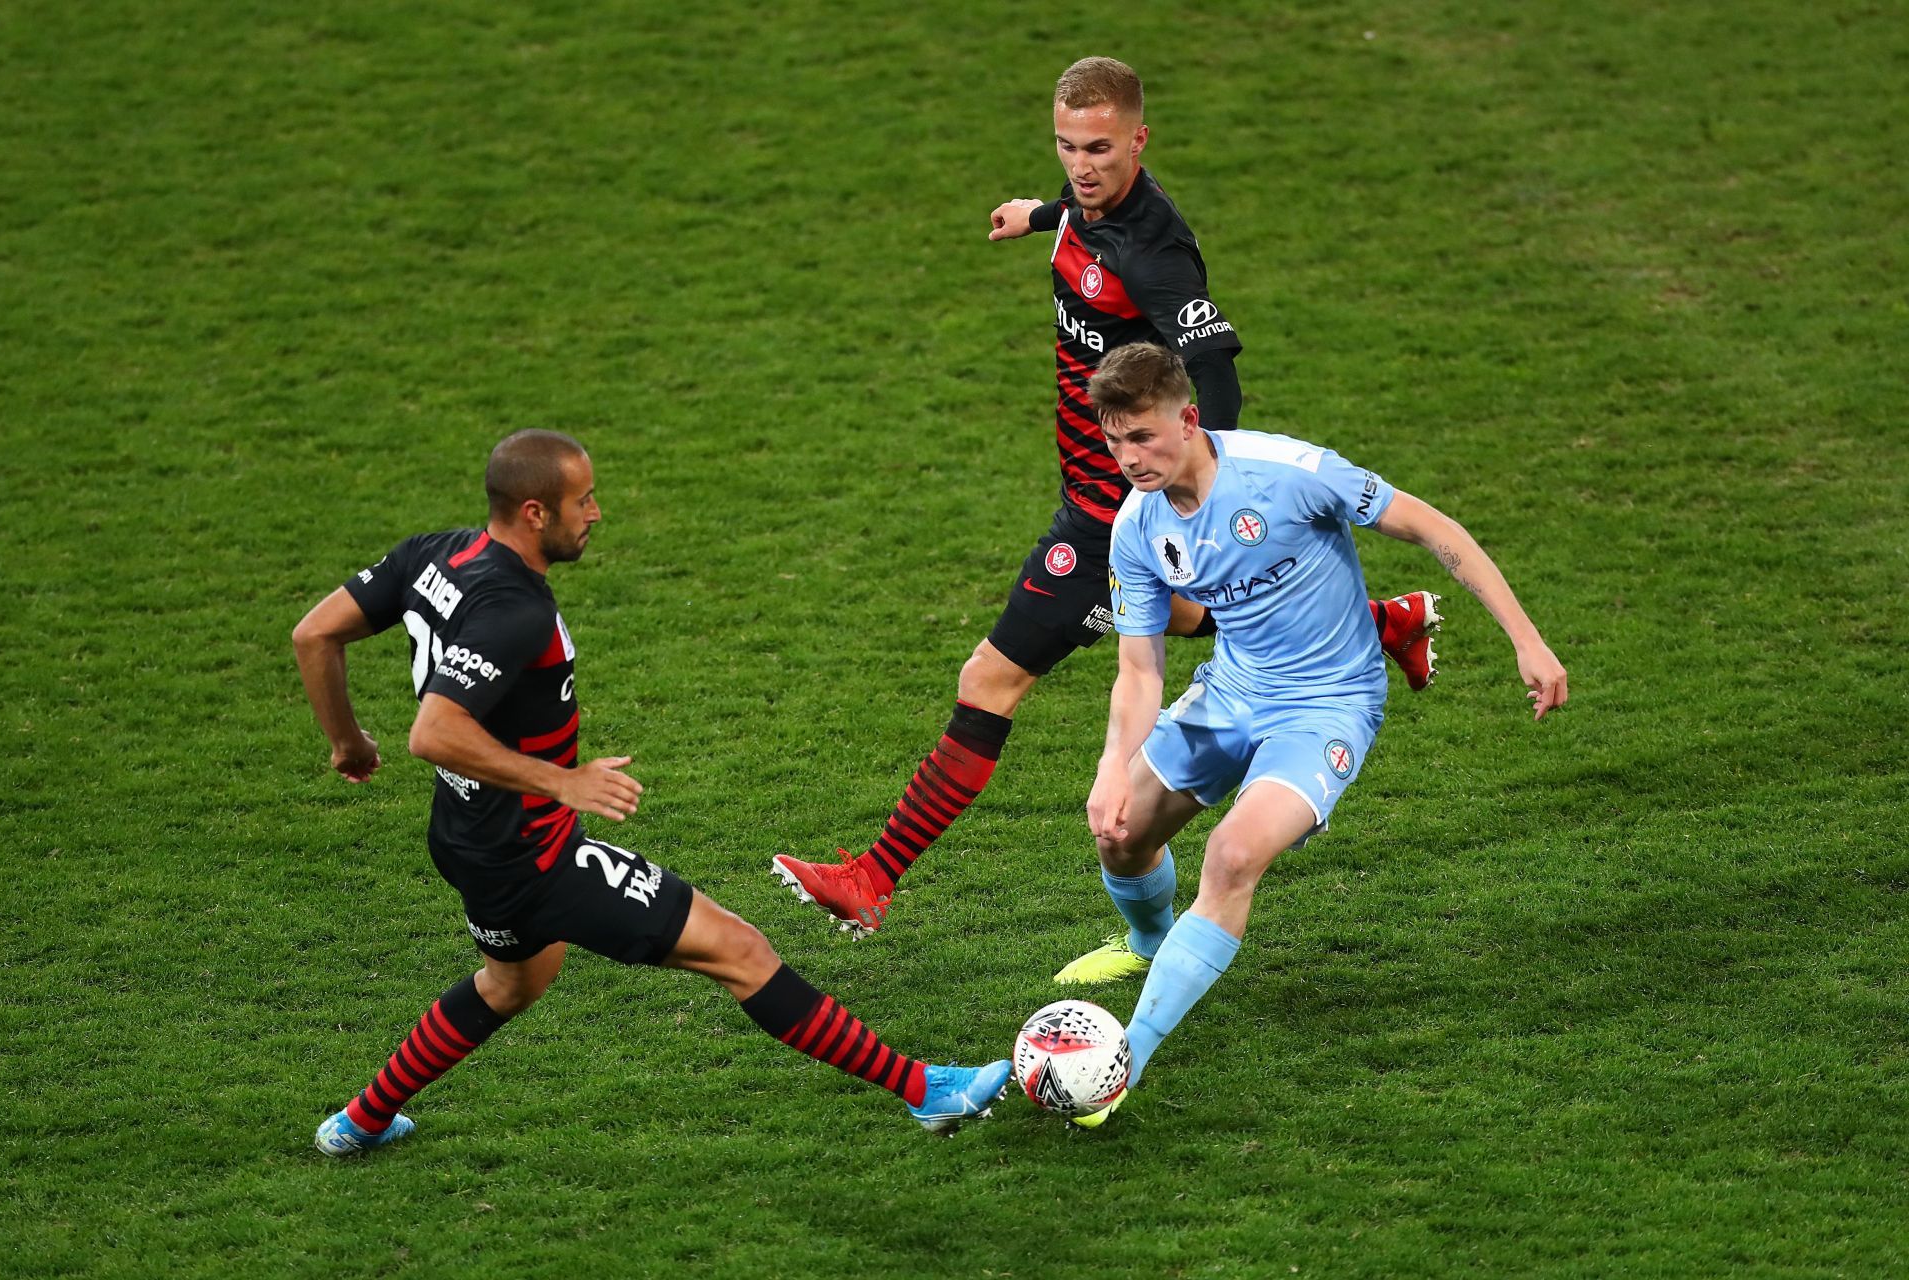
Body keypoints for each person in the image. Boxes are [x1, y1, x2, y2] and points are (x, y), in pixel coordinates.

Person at [772, 56, 1441, 943]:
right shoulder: (1087, 197)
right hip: (1095, 495)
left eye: (1099, 150)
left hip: (1107, 516)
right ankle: (1381, 622)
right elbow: (1086, 218)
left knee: (990, 679)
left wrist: (1202, 490)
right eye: (1065, 147)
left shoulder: (1155, 254)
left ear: (1139, 140)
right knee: (1166, 610)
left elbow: (1211, 372)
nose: (1081, 165)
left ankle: (873, 877)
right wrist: (1040, 215)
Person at [292, 430, 1008, 1155]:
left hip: (467, 835)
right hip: (532, 856)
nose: (596, 513)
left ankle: (362, 1120)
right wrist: (564, 781)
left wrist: (347, 742)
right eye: (584, 500)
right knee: (741, 950)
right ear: (535, 512)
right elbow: (433, 733)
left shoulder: (432, 553)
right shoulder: (515, 612)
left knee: (511, 986)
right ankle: (926, 1091)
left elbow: (314, 634)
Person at [1052, 343, 1566, 1128]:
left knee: (1230, 856)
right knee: (1120, 835)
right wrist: (1111, 768)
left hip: (1326, 706)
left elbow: (1434, 527)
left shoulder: (1289, 472)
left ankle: (1126, 1059)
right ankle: (1150, 942)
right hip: (1232, 692)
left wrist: (1527, 640)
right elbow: (1139, 669)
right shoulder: (1137, 527)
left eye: (1144, 437)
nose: (1129, 458)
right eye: (1115, 441)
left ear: (1188, 420)